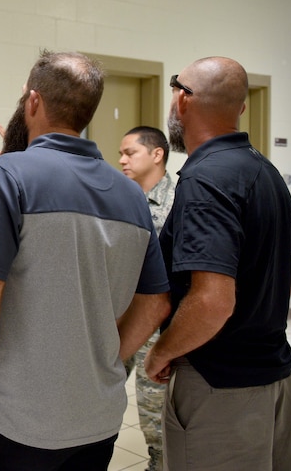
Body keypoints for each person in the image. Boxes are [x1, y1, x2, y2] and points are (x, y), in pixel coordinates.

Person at [0, 51, 171, 471]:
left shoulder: (8, 176)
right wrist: (102, 356)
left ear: (33, 102)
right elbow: (156, 301)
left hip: (17, 422)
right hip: (98, 421)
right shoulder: (132, 197)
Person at [144, 57, 291, 470]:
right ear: (239, 109)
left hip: (219, 389)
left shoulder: (205, 180)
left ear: (182, 99)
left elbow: (212, 301)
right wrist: (253, 310)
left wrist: (161, 352)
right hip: (275, 381)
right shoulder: (263, 170)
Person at [118, 125, 175, 471]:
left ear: (157, 154)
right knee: (100, 394)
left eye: (129, 153)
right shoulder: (121, 198)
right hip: (119, 319)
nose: (121, 160)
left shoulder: (180, 202)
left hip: (158, 326)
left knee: (155, 415)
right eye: (120, 153)